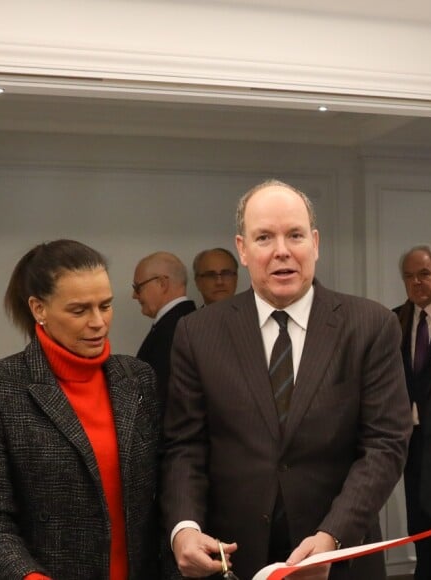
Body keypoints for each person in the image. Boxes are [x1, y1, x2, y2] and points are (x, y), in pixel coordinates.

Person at [161, 179, 412, 580]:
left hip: (340, 559)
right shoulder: (197, 333)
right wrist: (184, 529)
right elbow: (184, 447)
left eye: (294, 235)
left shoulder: (370, 325)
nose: (282, 250)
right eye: (264, 237)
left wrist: (333, 536)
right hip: (232, 560)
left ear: (315, 242)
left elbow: (385, 445)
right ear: (242, 249)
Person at [0, 239, 166, 580]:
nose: (98, 322)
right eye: (79, 310)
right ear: (39, 309)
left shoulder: (138, 380)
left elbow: (163, 496)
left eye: (106, 305)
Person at [394, 245, 431, 580]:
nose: (417, 282)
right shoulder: (395, 319)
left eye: (425, 273)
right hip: (411, 449)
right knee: (419, 527)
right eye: (409, 276)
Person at [132, 251, 196, 400]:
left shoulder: (175, 330)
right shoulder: (185, 322)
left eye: (137, 287)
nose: (134, 296)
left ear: (162, 283)